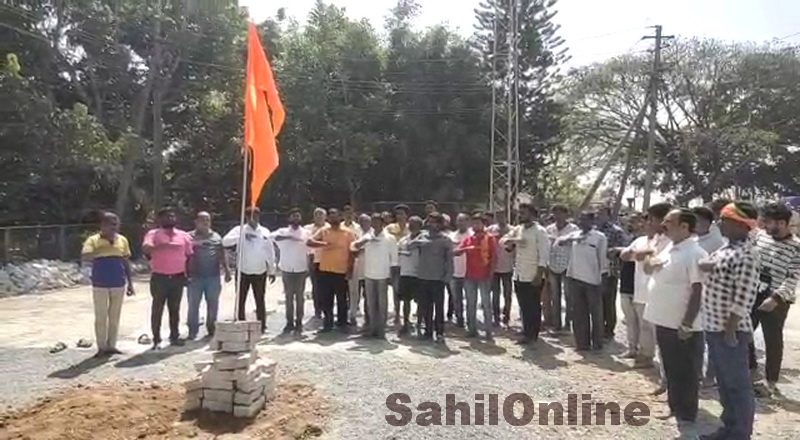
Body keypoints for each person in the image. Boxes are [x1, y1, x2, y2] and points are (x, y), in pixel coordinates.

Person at [698, 202, 760, 440]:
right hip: (714, 326)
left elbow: (744, 297)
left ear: (740, 224)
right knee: (724, 384)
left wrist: (730, 329)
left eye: (724, 220)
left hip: (729, 330)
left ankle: (740, 433)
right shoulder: (727, 248)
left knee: (737, 385)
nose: (719, 224)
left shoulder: (746, 254)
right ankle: (728, 428)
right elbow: (713, 266)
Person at [643, 209, 707, 423]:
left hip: (682, 325)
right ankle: (675, 407)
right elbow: (649, 268)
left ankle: (686, 414)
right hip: (664, 321)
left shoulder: (695, 253)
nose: (663, 224)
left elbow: (698, 291)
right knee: (671, 368)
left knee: (686, 371)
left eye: (669, 221)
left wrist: (687, 323)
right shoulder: (670, 248)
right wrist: (651, 256)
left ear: (684, 227)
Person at [749, 201, 800, 396]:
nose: (766, 225)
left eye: (769, 222)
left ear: (782, 223)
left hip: (777, 299)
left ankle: (771, 381)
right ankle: (752, 372)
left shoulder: (796, 247)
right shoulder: (760, 237)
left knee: (773, 341)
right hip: (753, 293)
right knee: (744, 333)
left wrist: (775, 299)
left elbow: (792, 278)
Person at [620, 203, 673, 369]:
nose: (648, 223)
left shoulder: (670, 241)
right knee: (645, 328)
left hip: (659, 293)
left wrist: (645, 254)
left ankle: (666, 368)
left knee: (659, 332)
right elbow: (626, 255)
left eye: (651, 219)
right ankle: (646, 356)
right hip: (642, 290)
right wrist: (641, 253)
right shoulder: (646, 240)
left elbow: (655, 260)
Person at [81, 212, 135, 356]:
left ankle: (112, 345)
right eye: (111, 224)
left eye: (116, 224)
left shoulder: (122, 240)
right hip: (100, 283)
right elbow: (85, 256)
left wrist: (130, 283)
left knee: (114, 317)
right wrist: (103, 249)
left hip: (118, 282)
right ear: (103, 225)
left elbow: (126, 261)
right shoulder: (93, 240)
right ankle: (101, 347)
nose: (114, 228)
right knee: (101, 317)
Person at [142, 207, 193, 349]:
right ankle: (156, 339)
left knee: (175, 308)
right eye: (167, 216)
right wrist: (158, 246)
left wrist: (188, 275)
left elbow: (189, 256)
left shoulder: (183, 235)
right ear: (160, 219)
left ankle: (174, 336)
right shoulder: (153, 234)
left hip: (178, 277)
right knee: (157, 308)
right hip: (160, 278)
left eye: (172, 216)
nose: (170, 218)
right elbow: (146, 248)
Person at [501, 204, 550, 345]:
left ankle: (533, 334)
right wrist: (510, 243)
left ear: (532, 214)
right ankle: (526, 331)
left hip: (533, 274)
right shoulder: (518, 229)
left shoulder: (540, 231)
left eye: (523, 213)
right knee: (523, 305)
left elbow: (544, 255)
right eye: (520, 213)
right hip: (519, 274)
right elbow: (503, 241)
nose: (520, 215)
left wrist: (539, 274)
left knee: (533, 305)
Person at [222, 207, 276, 334]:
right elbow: (225, 242)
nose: (254, 219)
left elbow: (270, 252)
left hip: (260, 271)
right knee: (240, 299)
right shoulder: (239, 229)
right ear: (246, 217)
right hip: (243, 271)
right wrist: (241, 236)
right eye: (251, 216)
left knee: (260, 299)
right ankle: (241, 323)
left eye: (256, 216)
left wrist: (272, 270)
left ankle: (262, 326)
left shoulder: (265, 231)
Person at [559, 211, 607, 351]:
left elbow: (603, 260)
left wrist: (603, 279)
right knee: (579, 313)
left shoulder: (599, 237)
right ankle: (582, 344)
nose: (581, 222)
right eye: (580, 219)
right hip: (575, 279)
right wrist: (570, 240)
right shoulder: (574, 235)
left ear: (592, 221)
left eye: (585, 220)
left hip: (593, 281)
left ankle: (597, 344)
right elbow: (560, 242)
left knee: (596, 314)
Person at [692, 206, 727, 386]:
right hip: (693, 293)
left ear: (707, 222)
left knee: (711, 338)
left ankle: (711, 376)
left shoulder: (717, 242)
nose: (695, 224)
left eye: (698, 220)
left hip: (711, 295)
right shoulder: (693, 238)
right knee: (696, 337)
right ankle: (697, 372)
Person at [307, 208, 356, 332]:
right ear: (328, 218)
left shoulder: (348, 233)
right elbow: (309, 242)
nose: (334, 218)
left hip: (341, 271)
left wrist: (350, 269)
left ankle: (342, 323)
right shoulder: (324, 231)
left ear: (340, 217)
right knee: (326, 298)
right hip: (325, 270)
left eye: (336, 215)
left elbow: (352, 252)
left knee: (342, 299)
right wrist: (324, 244)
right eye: (331, 216)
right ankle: (327, 323)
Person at [352, 213, 398, 339]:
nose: (375, 224)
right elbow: (354, 247)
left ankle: (381, 330)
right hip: (369, 274)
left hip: (383, 275)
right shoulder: (367, 236)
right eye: (373, 222)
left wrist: (392, 277)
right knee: (370, 303)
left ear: (382, 223)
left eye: (378, 222)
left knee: (382, 304)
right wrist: (365, 240)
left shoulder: (389, 238)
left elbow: (394, 260)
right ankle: (372, 328)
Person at [410, 213, 454, 343]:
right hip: (423, 277)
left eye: (434, 222)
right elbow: (409, 246)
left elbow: (449, 260)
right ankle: (428, 331)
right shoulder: (422, 237)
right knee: (425, 306)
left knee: (439, 307)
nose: (431, 224)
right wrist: (416, 241)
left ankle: (439, 332)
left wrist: (448, 275)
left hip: (438, 278)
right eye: (429, 222)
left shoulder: (445, 240)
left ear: (440, 224)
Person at [187, 211, 231, 340]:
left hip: (213, 277)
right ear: (196, 222)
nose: (205, 222)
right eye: (202, 220)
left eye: (208, 220)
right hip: (194, 277)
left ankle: (211, 330)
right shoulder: (188, 237)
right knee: (193, 305)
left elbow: (222, 254)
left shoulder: (216, 237)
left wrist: (227, 270)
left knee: (213, 305)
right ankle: (192, 331)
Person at [457, 212, 497, 339]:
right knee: (470, 303)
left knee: (486, 304)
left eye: (478, 223)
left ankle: (488, 331)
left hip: (484, 276)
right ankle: (472, 329)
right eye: (473, 223)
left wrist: (491, 274)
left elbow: (494, 258)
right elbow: (456, 252)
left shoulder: (489, 239)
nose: (475, 225)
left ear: (483, 224)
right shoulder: (469, 239)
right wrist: (465, 249)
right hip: (470, 276)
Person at [272, 208, 311, 335]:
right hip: (287, 269)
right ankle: (289, 323)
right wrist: (289, 237)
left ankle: (299, 322)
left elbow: (310, 250)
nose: (296, 218)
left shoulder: (306, 233)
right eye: (293, 216)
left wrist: (310, 267)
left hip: (301, 269)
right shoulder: (283, 231)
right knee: (288, 297)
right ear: (289, 218)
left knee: (300, 297)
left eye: (298, 216)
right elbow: (271, 237)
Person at [595, 207, 630, 340]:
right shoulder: (593, 230)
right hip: (595, 270)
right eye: (598, 213)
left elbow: (624, 249)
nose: (598, 216)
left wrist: (613, 251)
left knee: (608, 302)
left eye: (602, 214)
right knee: (597, 302)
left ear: (608, 216)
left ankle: (609, 330)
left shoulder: (616, 231)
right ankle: (598, 329)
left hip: (610, 271)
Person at [546, 204, 580, 331]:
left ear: (566, 214)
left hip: (568, 266)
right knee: (555, 296)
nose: (557, 216)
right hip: (552, 265)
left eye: (560, 213)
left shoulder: (574, 229)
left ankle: (568, 323)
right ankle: (557, 324)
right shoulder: (549, 229)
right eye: (555, 213)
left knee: (569, 296)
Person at [398, 216, 424, 335]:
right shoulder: (403, 240)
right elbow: (397, 251)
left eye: (415, 224)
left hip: (419, 274)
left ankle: (419, 323)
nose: (412, 226)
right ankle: (406, 323)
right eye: (410, 223)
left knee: (420, 301)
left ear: (420, 226)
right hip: (405, 273)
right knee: (405, 301)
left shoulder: (423, 240)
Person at [488, 211, 515, 326]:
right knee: (495, 293)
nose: (500, 218)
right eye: (498, 216)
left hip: (508, 267)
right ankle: (496, 316)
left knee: (507, 293)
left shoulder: (513, 230)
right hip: (494, 267)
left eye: (502, 216)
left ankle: (506, 315)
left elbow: (515, 247)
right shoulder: (490, 229)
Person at [386, 204, 410, 327]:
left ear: (407, 215)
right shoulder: (390, 228)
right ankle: (396, 314)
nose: (399, 216)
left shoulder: (411, 228)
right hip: (394, 264)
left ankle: (407, 317)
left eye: (402, 214)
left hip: (408, 264)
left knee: (406, 292)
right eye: (397, 214)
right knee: (396, 290)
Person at [448, 213, 472, 327]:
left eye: (463, 220)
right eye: (459, 220)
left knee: (470, 299)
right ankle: (459, 319)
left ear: (468, 222)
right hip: (454, 273)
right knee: (456, 299)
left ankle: (471, 320)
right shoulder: (451, 236)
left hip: (469, 273)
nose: (460, 223)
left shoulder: (472, 235)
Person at [305, 208, 329, 319]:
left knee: (327, 286)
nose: (319, 217)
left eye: (321, 215)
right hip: (313, 260)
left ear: (325, 217)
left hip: (327, 260)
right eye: (317, 215)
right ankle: (317, 310)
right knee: (316, 286)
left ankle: (327, 309)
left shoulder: (329, 228)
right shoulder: (307, 229)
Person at [348, 213, 371, 326]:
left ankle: (368, 318)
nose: (363, 223)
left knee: (368, 295)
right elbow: (352, 248)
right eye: (361, 221)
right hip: (356, 267)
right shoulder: (355, 233)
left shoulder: (373, 233)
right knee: (354, 294)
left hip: (370, 268)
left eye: (366, 221)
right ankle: (352, 316)